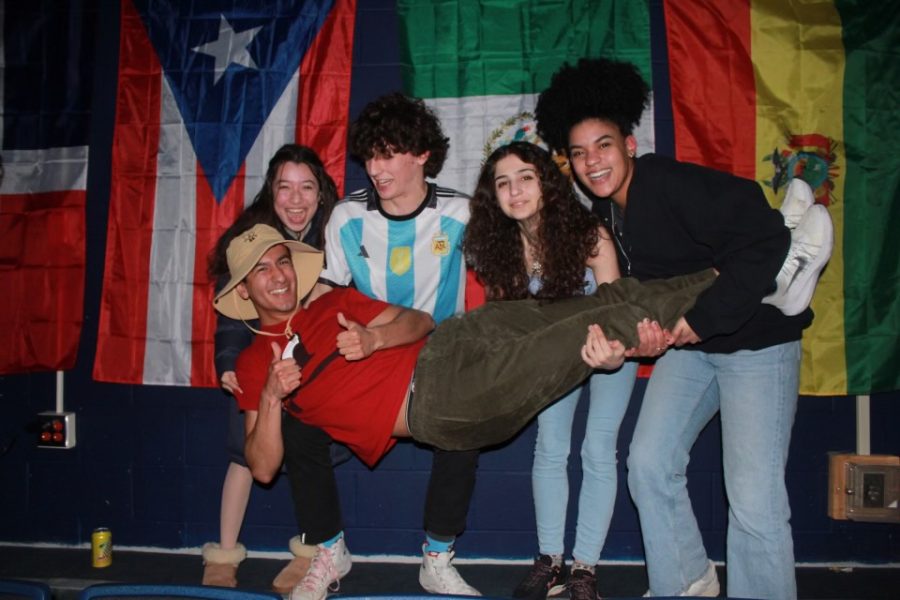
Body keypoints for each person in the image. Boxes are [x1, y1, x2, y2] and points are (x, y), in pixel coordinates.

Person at [534, 57, 833, 599]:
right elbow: (645, 303)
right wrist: (641, 344)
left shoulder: (669, 183)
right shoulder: (606, 218)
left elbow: (765, 237)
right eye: (578, 153)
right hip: (692, 351)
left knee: (754, 499)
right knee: (648, 466)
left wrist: (701, 318)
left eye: (602, 145)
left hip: (756, 342)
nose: (591, 162)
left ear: (628, 143)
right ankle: (686, 579)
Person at [299, 92, 478, 599]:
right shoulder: (345, 218)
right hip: (367, 355)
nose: (375, 168)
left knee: (465, 420)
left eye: (388, 153)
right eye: (370, 155)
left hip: (437, 357)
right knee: (293, 411)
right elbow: (324, 294)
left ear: (421, 153)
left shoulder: (463, 214)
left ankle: (437, 556)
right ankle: (329, 550)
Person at [463, 141, 638, 600]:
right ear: (493, 196)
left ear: (546, 183)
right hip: (553, 359)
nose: (515, 190)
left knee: (598, 450)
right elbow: (514, 329)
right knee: (550, 447)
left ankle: (585, 570)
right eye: (503, 183)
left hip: (607, 350)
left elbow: (617, 312)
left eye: (525, 177)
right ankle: (550, 561)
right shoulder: (498, 250)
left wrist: (613, 354)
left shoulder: (588, 234)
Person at [201, 144, 337, 591]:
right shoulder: (249, 237)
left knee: (307, 451)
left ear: (321, 194)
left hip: (315, 365)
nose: (296, 200)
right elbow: (231, 311)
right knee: (245, 451)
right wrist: (226, 361)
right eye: (285, 188)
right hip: (261, 361)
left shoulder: (337, 235)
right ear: (271, 192)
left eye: (307, 188)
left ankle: (311, 551)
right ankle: (223, 553)